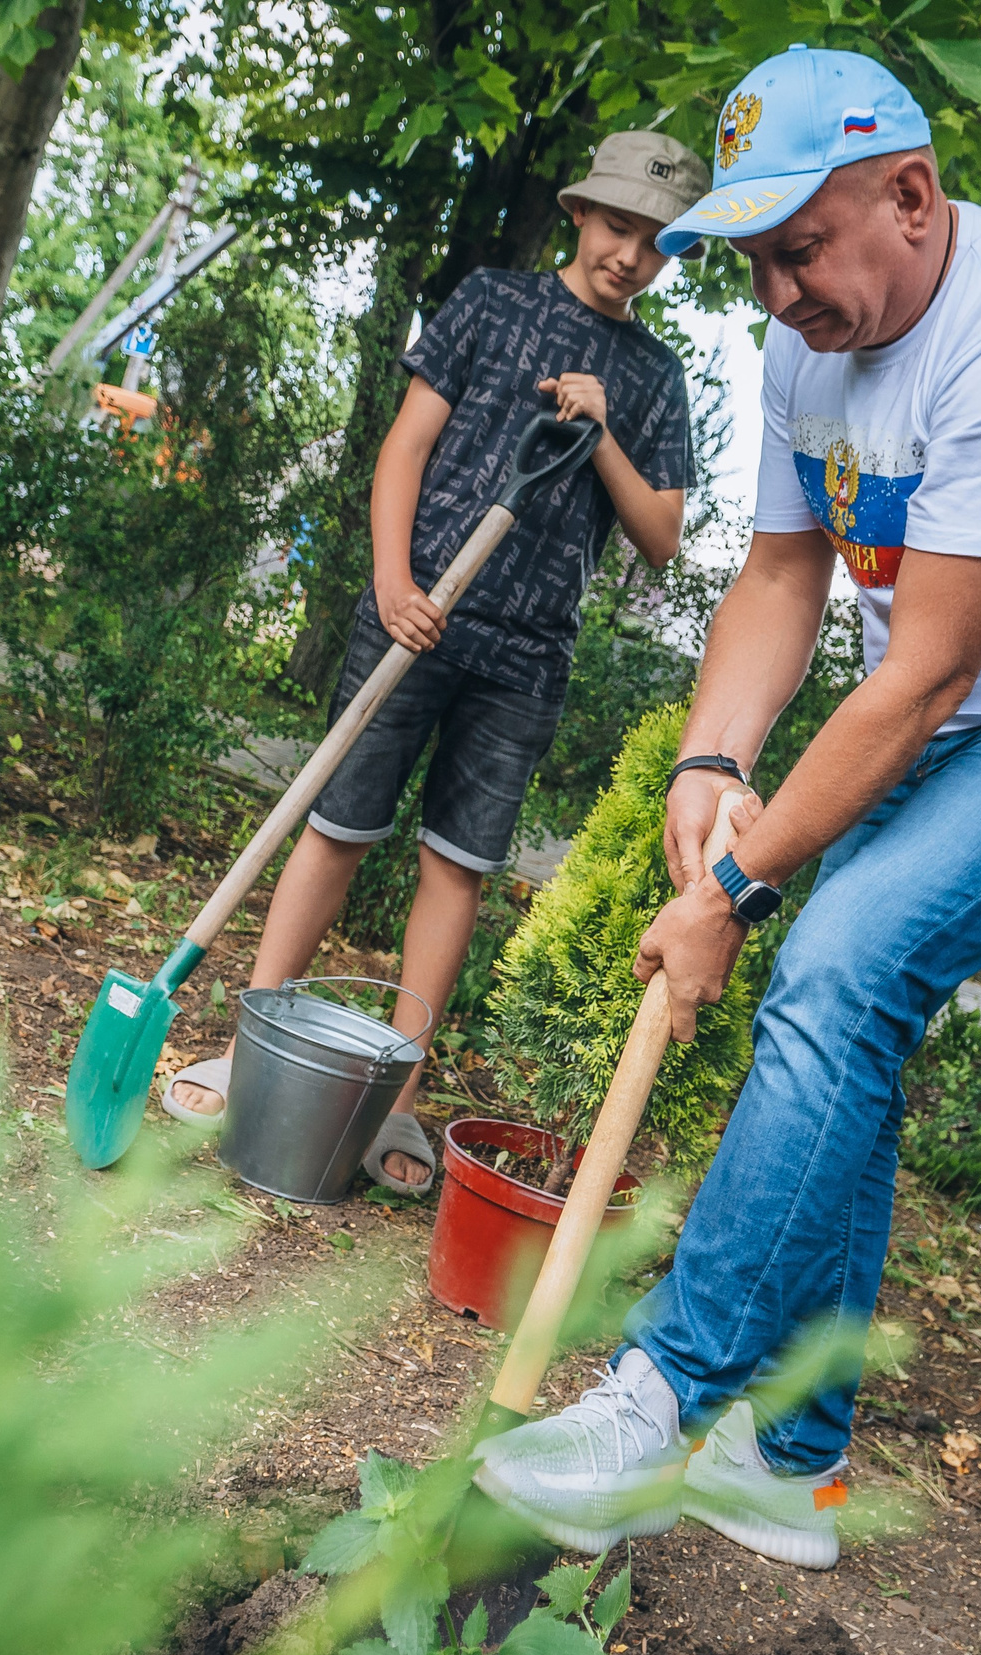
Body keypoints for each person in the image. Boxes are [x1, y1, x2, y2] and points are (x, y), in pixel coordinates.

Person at [470, 47, 981, 1568]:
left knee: (837, 953)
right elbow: (782, 573)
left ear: (910, 196)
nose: (775, 295)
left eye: (798, 251)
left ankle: (659, 1399)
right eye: (754, 263)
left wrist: (728, 896)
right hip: (965, 694)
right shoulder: (811, 348)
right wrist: (710, 767)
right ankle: (791, 1469)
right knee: (854, 992)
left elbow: (918, 678)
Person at [161, 130, 709, 1193]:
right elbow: (405, 446)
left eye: (656, 244)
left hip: (525, 653)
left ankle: (393, 1102)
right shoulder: (490, 304)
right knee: (334, 826)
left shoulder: (652, 375)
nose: (629, 257)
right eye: (617, 228)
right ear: (581, 216)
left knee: (455, 867)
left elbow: (660, 532)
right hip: (415, 616)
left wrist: (599, 430)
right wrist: (389, 584)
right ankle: (250, 1050)